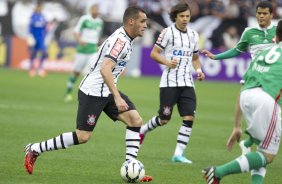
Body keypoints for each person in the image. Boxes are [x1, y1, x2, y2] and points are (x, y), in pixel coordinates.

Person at [24, 6, 152, 182]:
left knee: (135, 120)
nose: (146, 25)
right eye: (142, 21)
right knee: (83, 136)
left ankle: (132, 168)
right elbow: (105, 69)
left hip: (106, 88)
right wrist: (117, 96)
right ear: (131, 21)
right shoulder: (120, 41)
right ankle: (35, 148)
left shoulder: (126, 39)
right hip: (93, 91)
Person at [202, 19, 282, 184]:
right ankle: (217, 172)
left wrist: (237, 125)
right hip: (266, 101)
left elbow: (244, 86)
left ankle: (249, 143)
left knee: (261, 148)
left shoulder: (265, 52)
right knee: (267, 155)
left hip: (247, 96)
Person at [202, 1, 276, 155]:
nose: (261, 16)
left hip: (273, 78)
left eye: (264, 13)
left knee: (270, 118)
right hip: (255, 76)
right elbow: (237, 50)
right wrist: (216, 57)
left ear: (271, 14)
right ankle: (246, 138)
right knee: (256, 110)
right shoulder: (249, 32)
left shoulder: (278, 31)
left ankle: (248, 143)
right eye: (259, 13)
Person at [139, 2, 205, 164]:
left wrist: (199, 71)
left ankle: (178, 154)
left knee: (189, 117)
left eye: (187, 16)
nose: (185, 19)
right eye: (182, 16)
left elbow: (195, 58)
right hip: (169, 82)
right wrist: (167, 63)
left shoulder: (194, 35)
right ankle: (143, 130)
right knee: (164, 119)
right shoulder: (167, 33)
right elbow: (154, 54)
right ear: (175, 17)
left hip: (187, 83)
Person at [64, 4, 103, 102]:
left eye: (98, 9)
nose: (97, 11)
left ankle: (91, 95)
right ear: (91, 10)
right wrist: (79, 40)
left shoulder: (100, 22)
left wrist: (98, 45)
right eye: (95, 9)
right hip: (82, 50)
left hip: (93, 50)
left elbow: (98, 36)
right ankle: (68, 92)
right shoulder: (84, 19)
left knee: (94, 71)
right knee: (76, 72)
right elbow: (76, 32)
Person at [28, 3, 48, 77]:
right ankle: (32, 68)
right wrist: (30, 36)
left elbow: (45, 27)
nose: (39, 8)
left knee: (44, 53)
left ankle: (40, 68)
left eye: (40, 7)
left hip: (41, 38)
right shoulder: (33, 16)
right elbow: (30, 27)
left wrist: (45, 36)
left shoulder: (43, 17)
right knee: (33, 53)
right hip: (34, 37)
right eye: (37, 7)